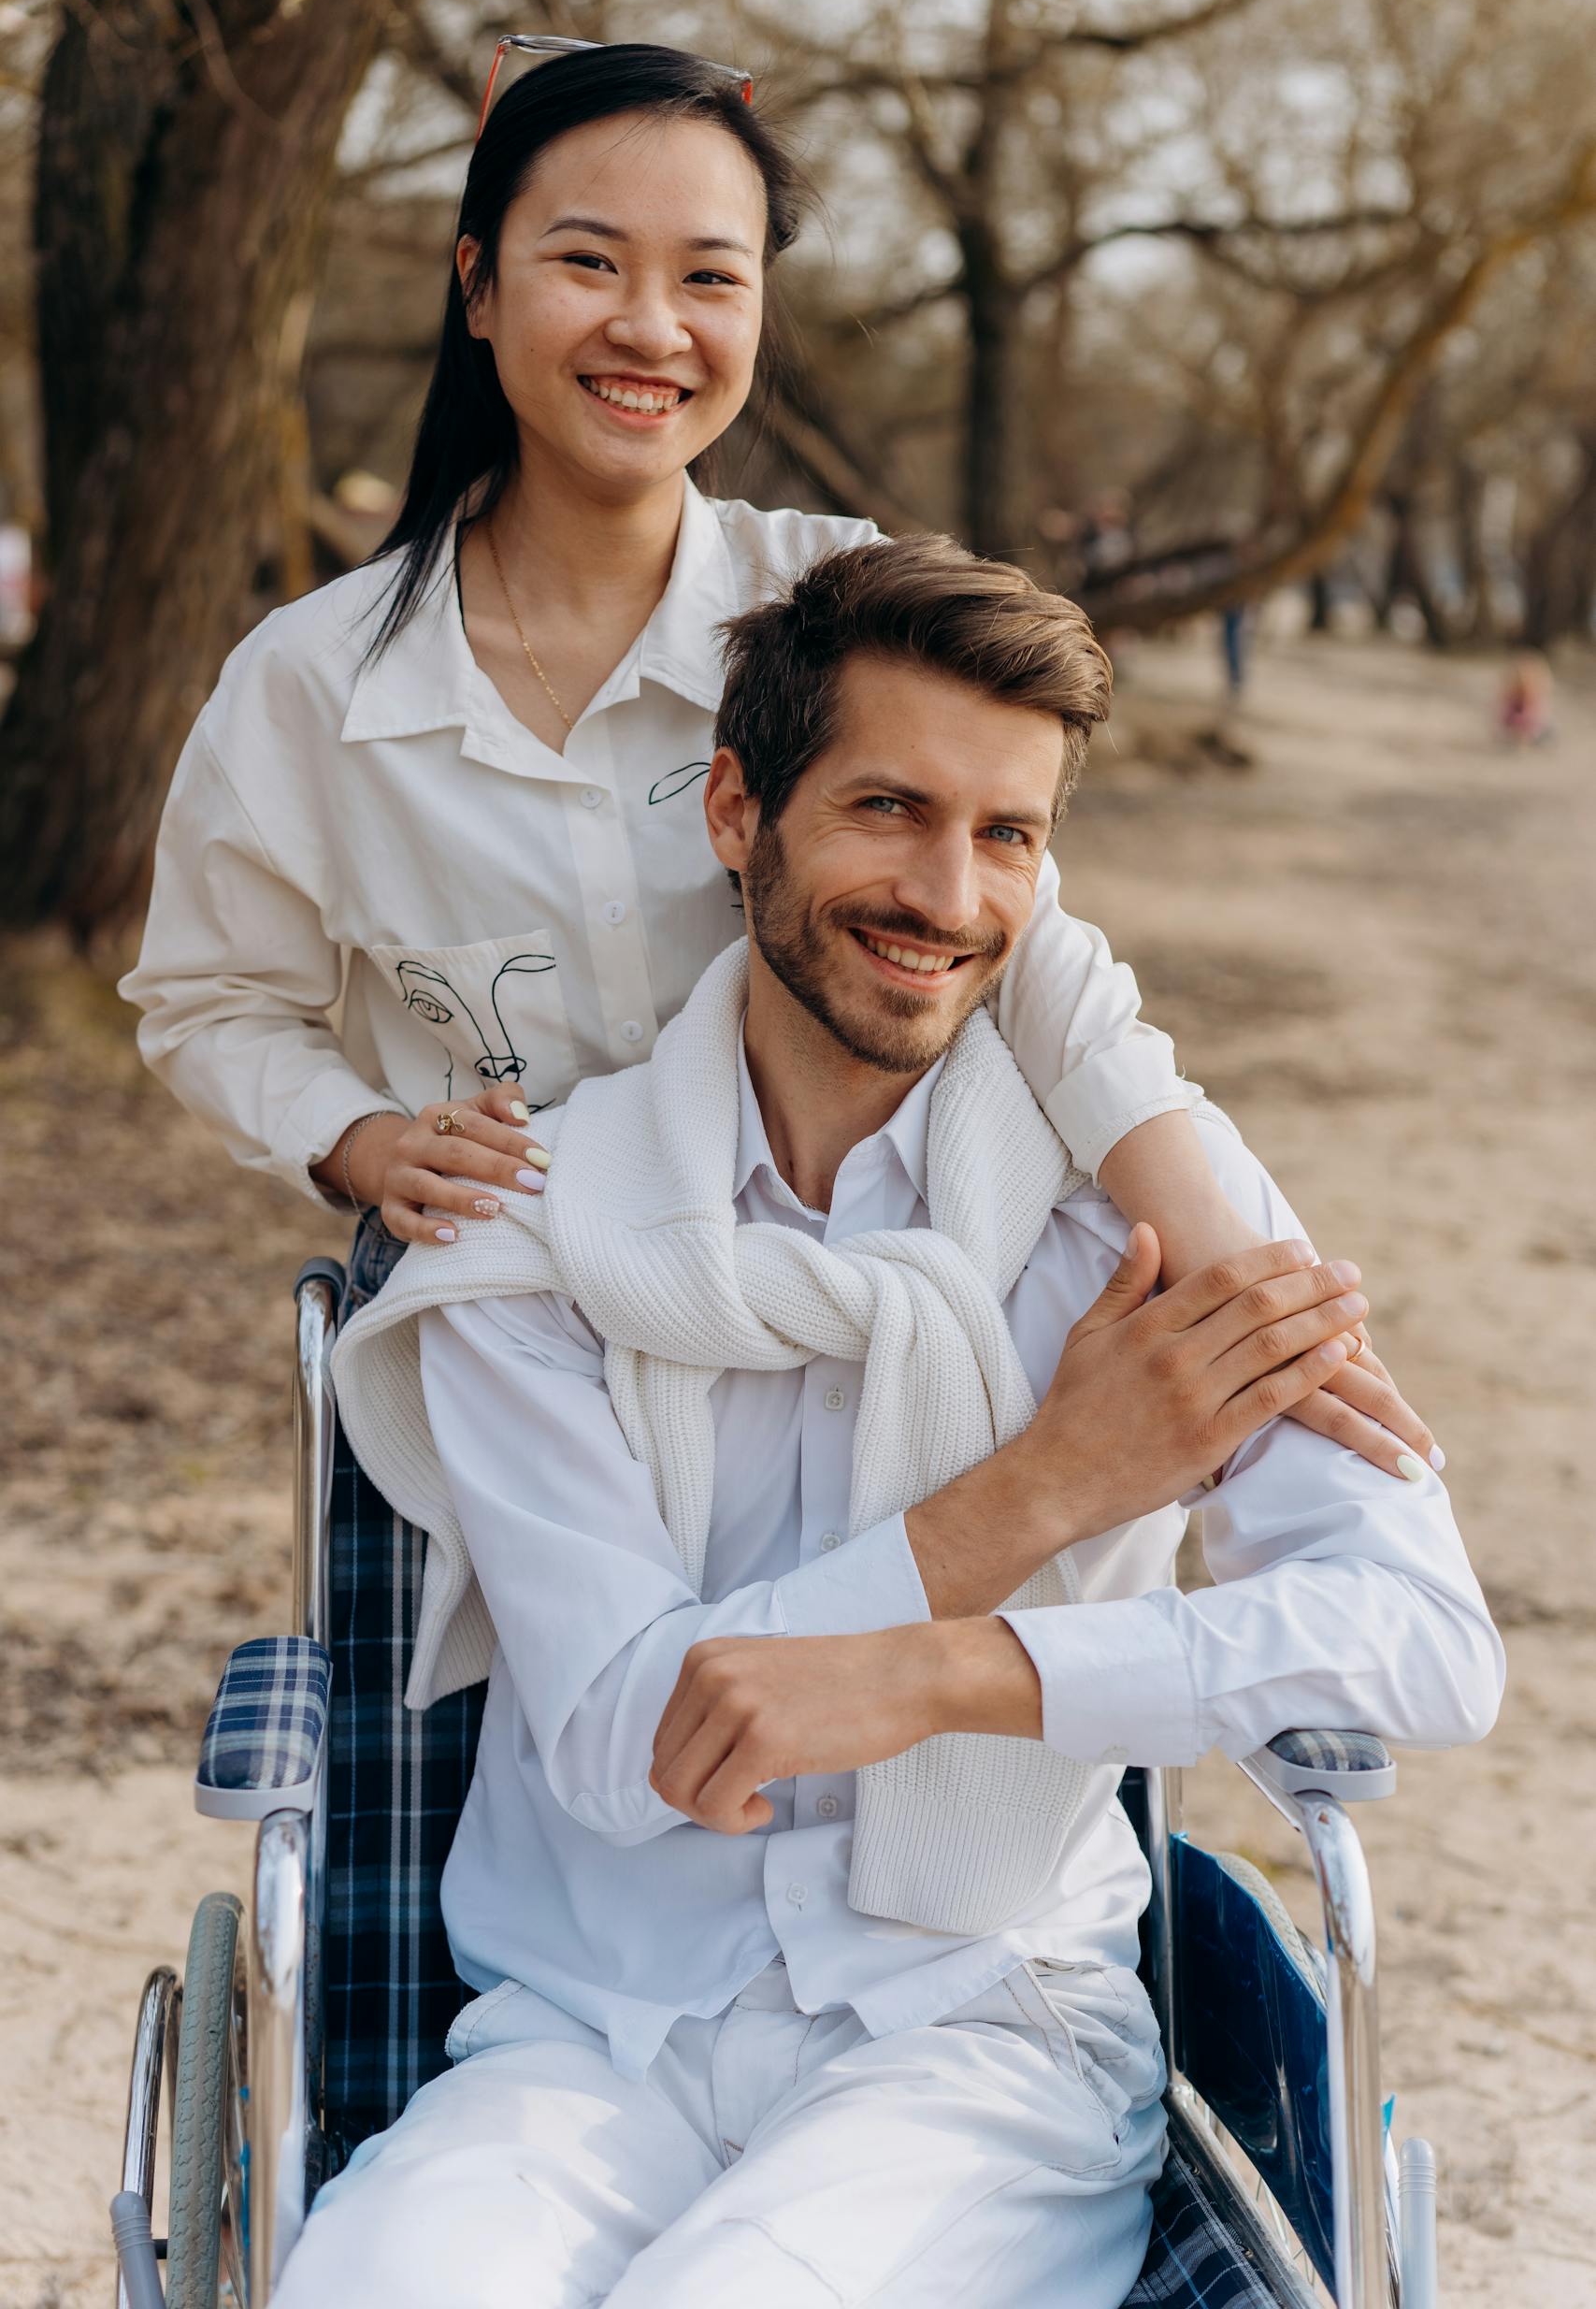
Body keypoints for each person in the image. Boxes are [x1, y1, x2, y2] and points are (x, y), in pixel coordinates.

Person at [119, 34, 1434, 2117]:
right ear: (474, 283)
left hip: (852, 1270)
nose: (650, 328)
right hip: (530, 1315)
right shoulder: (310, 687)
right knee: (577, 1793)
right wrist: (367, 1139)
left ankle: (947, 2040)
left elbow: (1033, 954)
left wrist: (1233, 1258)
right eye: (586, 261)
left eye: (710, 277)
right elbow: (206, 1004)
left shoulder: (812, 598)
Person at [303, 535, 1503, 2309]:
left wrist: (962, 1674)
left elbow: (1425, 1640)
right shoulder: (530, 1226)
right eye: (886, 808)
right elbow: (643, 1744)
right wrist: (1042, 1491)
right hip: (587, 2040)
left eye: (1007, 834)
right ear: (737, 813)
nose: (948, 893)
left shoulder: (1143, 1219)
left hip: (981, 2036)